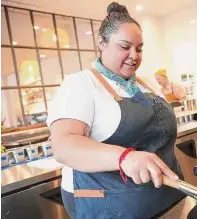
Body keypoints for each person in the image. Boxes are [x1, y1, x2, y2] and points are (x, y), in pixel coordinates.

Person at [47, 2, 184, 219]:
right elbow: (63, 145)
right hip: (112, 206)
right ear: (102, 43)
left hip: (168, 196)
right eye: (124, 47)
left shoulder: (145, 82)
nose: (134, 55)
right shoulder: (81, 84)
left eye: (139, 49)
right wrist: (124, 158)